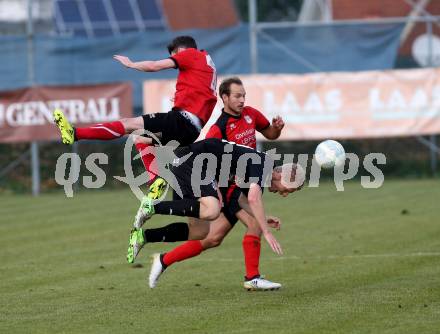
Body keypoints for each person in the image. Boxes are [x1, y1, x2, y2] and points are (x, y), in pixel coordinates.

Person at [130, 77, 287, 290]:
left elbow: (270, 133)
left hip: (233, 182)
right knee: (249, 223)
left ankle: (159, 254)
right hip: (221, 182)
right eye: (237, 96)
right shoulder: (219, 128)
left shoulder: (251, 115)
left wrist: (276, 129)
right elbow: (207, 155)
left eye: (244, 96)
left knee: (207, 236)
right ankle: (252, 278)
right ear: (225, 98)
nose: (242, 100)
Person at [53, 35, 217, 200]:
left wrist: (131, 64)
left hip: (182, 120)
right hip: (191, 129)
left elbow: (154, 66)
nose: (175, 60)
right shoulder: (207, 63)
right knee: (140, 138)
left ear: (181, 50)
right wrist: (185, 98)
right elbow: (204, 97)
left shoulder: (190, 54)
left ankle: (74, 133)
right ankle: (155, 182)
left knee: (128, 124)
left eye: (175, 55)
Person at [126, 137, 305, 288]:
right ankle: (152, 206)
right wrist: (265, 230)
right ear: (281, 176)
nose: (284, 194)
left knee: (200, 232)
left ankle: (144, 236)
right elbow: (252, 198)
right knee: (212, 210)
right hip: (194, 160)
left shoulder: (259, 168)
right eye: (288, 189)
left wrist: (263, 218)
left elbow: (241, 200)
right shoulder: (264, 163)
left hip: (192, 165)